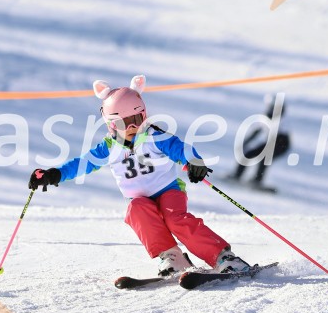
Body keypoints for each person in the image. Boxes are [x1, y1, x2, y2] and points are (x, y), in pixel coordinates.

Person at [28, 75, 251, 277]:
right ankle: (173, 257)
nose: (133, 126)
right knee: (137, 211)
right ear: (111, 124)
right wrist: (54, 174)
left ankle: (222, 257)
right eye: (125, 122)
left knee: (174, 218)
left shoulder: (155, 136)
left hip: (169, 190)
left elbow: (181, 148)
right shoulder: (108, 147)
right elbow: (82, 164)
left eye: (138, 117)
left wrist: (193, 162)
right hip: (139, 199)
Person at [228, 94, 290, 192]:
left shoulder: (280, 116)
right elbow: (258, 130)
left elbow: (276, 128)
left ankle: (257, 180)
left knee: (265, 158)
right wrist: (246, 141)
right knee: (248, 154)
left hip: (281, 143)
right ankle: (237, 175)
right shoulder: (268, 115)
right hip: (272, 142)